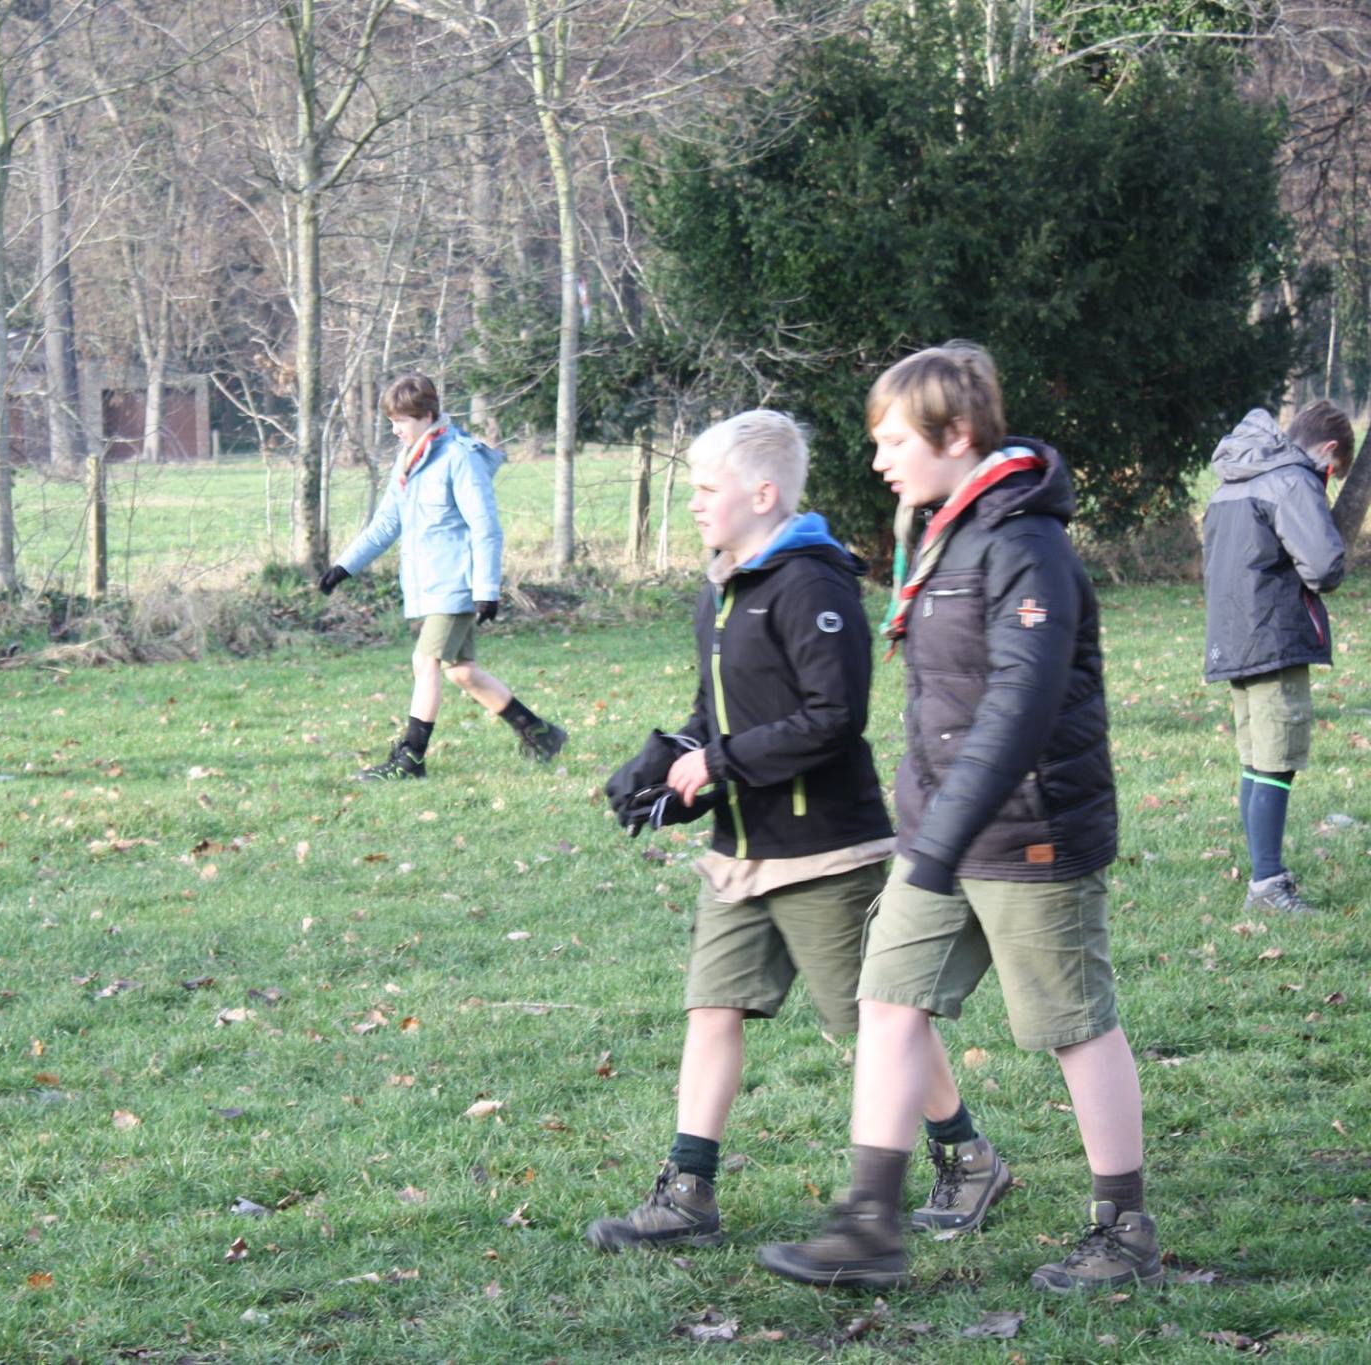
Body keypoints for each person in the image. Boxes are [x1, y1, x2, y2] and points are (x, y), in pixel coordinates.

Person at [759, 342, 1158, 1293]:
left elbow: (1016, 709)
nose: (880, 457)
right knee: (886, 999)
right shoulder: (949, 532)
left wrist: (939, 837)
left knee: (1073, 1023)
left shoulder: (1023, 545)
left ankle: (1124, 1226)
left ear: (959, 435)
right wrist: (930, 832)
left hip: (1031, 830)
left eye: (895, 438)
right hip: (941, 833)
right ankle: (868, 1223)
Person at [586, 411, 1007, 1253]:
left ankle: (965, 1154)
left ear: (763, 492)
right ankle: (687, 1191)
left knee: (873, 1023)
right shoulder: (720, 585)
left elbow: (834, 717)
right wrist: (672, 770)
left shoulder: (814, 584)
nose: (697, 504)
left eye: (709, 489)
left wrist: (725, 760)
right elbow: (717, 717)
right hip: (740, 852)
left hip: (829, 854)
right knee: (712, 1010)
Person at [318, 373, 566, 780]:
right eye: (392, 421)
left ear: (426, 415)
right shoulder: (409, 462)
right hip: (432, 586)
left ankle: (410, 760)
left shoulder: (459, 457)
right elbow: (385, 525)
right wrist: (345, 566)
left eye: (401, 421)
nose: (395, 430)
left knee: (425, 660)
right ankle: (541, 735)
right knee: (460, 671)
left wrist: (487, 590)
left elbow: (485, 526)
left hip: (458, 584)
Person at [1200, 402, 1351, 914]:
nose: (1326, 481)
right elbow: (1324, 564)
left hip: (1232, 637)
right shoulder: (1291, 479)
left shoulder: (1233, 479)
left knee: (1255, 758)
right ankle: (1267, 886)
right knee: (1277, 761)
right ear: (1327, 452)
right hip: (1274, 634)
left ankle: (1264, 874)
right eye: (1331, 474)